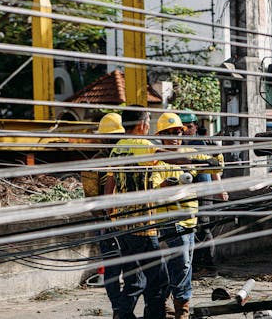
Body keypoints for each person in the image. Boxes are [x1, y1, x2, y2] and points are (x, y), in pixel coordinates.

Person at [104, 107, 168, 319]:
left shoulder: (117, 149)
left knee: (135, 279)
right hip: (144, 226)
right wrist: (199, 159)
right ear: (142, 125)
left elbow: (110, 183)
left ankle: (121, 314)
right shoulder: (144, 146)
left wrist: (111, 212)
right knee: (159, 280)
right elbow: (172, 159)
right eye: (148, 121)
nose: (149, 126)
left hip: (123, 225)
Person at [80, 113, 138, 318]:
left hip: (131, 223)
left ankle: (123, 310)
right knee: (113, 271)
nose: (112, 142)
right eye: (109, 138)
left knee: (135, 272)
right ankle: (119, 310)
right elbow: (91, 201)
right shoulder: (94, 165)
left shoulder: (129, 156)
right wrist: (104, 221)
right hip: (109, 225)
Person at [154, 113, 199, 319]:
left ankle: (168, 303)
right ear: (161, 136)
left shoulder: (189, 152)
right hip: (171, 221)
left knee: (184, 265)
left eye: (178, 132)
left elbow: (212, 165)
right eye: (169, 133)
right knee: (181, 265)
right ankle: (181, 310)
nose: (174, 137)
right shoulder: (157, 158)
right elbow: (153, 189)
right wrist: (166, 184)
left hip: (190, 219)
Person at [179, 110, 228, 275]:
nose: (186, 130)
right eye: (183, 127)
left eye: (189, 126)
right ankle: (195, 266)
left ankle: (209, 266)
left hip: (203, 190)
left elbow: (214, 167)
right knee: (189, 228)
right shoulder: (177, 143)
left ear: (196, 126)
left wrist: (221, 190)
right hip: (185, 193)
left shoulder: (202, 143)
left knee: (203, 227)